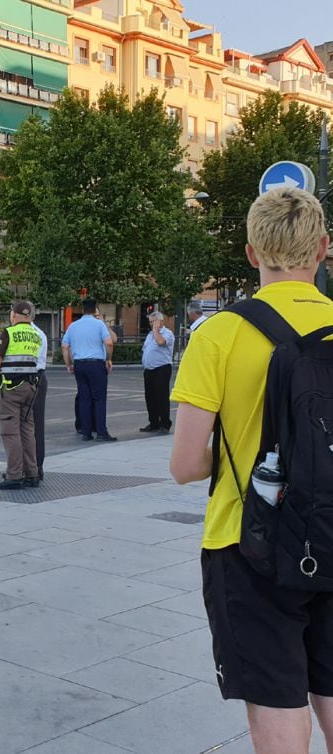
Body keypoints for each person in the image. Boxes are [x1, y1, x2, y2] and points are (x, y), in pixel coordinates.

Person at [170, 187, 333, 754]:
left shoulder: (217, 333)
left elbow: (187, 465)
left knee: (277, 702)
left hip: (248, 543)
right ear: (324, 247)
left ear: (250, 252)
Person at [0, 301, 43, 490]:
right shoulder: (36, 335)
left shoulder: (9, 333)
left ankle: (14, 475)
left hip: (11, 388)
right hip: (31, 387)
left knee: (10, 432)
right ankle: (32, 474)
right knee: (27, 430)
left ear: (15, 315)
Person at [62, 298, 116, 442]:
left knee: (84, 398)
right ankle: (101, 432)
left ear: (82, 309)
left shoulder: (73, 326)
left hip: (79, 364)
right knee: (99, 399)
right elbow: (109, 343)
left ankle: (86, 432)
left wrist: (68, 364)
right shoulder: (99, 324)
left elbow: (65, 346)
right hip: (96, 364)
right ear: (94, 310)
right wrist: (108, 359)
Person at [140, 310, 175, 433]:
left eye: (153, 321)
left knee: (161, 396)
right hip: (149, 369)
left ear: (161, 321)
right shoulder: (150, 335)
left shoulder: (167, 333)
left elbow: (161, 342)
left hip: (162, 368)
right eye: (150, 322)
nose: (151, 324)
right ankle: (153, 422)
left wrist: (155, 330)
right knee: (150, 396)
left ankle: (165, 423)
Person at [30, 315, 49, 481]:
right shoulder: (40, 333)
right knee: (36, 425)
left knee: (27, 426)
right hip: (38, 378)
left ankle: (31, 467)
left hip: (29, 379)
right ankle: (36, 466)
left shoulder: (20, 334)